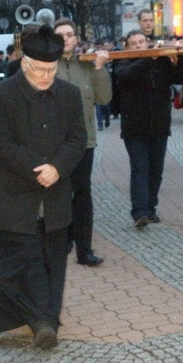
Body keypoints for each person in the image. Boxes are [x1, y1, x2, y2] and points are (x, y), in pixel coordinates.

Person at [0, 25, 87, 349]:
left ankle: (45, 319)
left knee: (53, 259)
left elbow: (77, 138)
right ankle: (42, 322)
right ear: (24, 63)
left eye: (50, 70)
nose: (44, 76)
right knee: (21, 261)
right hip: (15, 194)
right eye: (38, 69)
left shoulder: (69, 94)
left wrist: (59, 167)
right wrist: (37, 168)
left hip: (54, 195)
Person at [114, 29, 183, 227]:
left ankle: (151, 208)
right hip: (134, 127)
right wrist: (150, 57)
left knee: (156, 170)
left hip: (159, 125)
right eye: (134, 43)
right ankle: (139, 212)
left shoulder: (161, 60)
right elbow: (126, 77)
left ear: (147, 42)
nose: (139, 46)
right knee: (140, 169)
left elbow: (182, 77)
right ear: (127, 46)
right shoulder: (122, 62)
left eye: (142, 42)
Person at [54, 18, 112, 266]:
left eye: (69, 34)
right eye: (60, 36)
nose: (66, 39)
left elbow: (104, 98)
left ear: (76, 38)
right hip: (54, 142)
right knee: (58, 193)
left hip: (84, 140)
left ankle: (84, 249)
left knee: (82, 193)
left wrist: (100, 68)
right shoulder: (45, 67)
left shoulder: (87, 65)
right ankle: (62, 238)